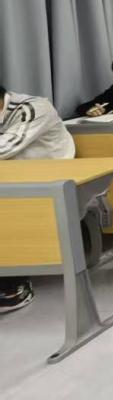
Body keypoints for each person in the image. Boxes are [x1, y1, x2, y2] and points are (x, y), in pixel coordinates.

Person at [0, 80, 75, 314]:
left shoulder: (33, 107)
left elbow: (6, 146)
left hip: (50, 180)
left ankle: (13, 283)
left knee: (7, 215)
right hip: (11, 179)